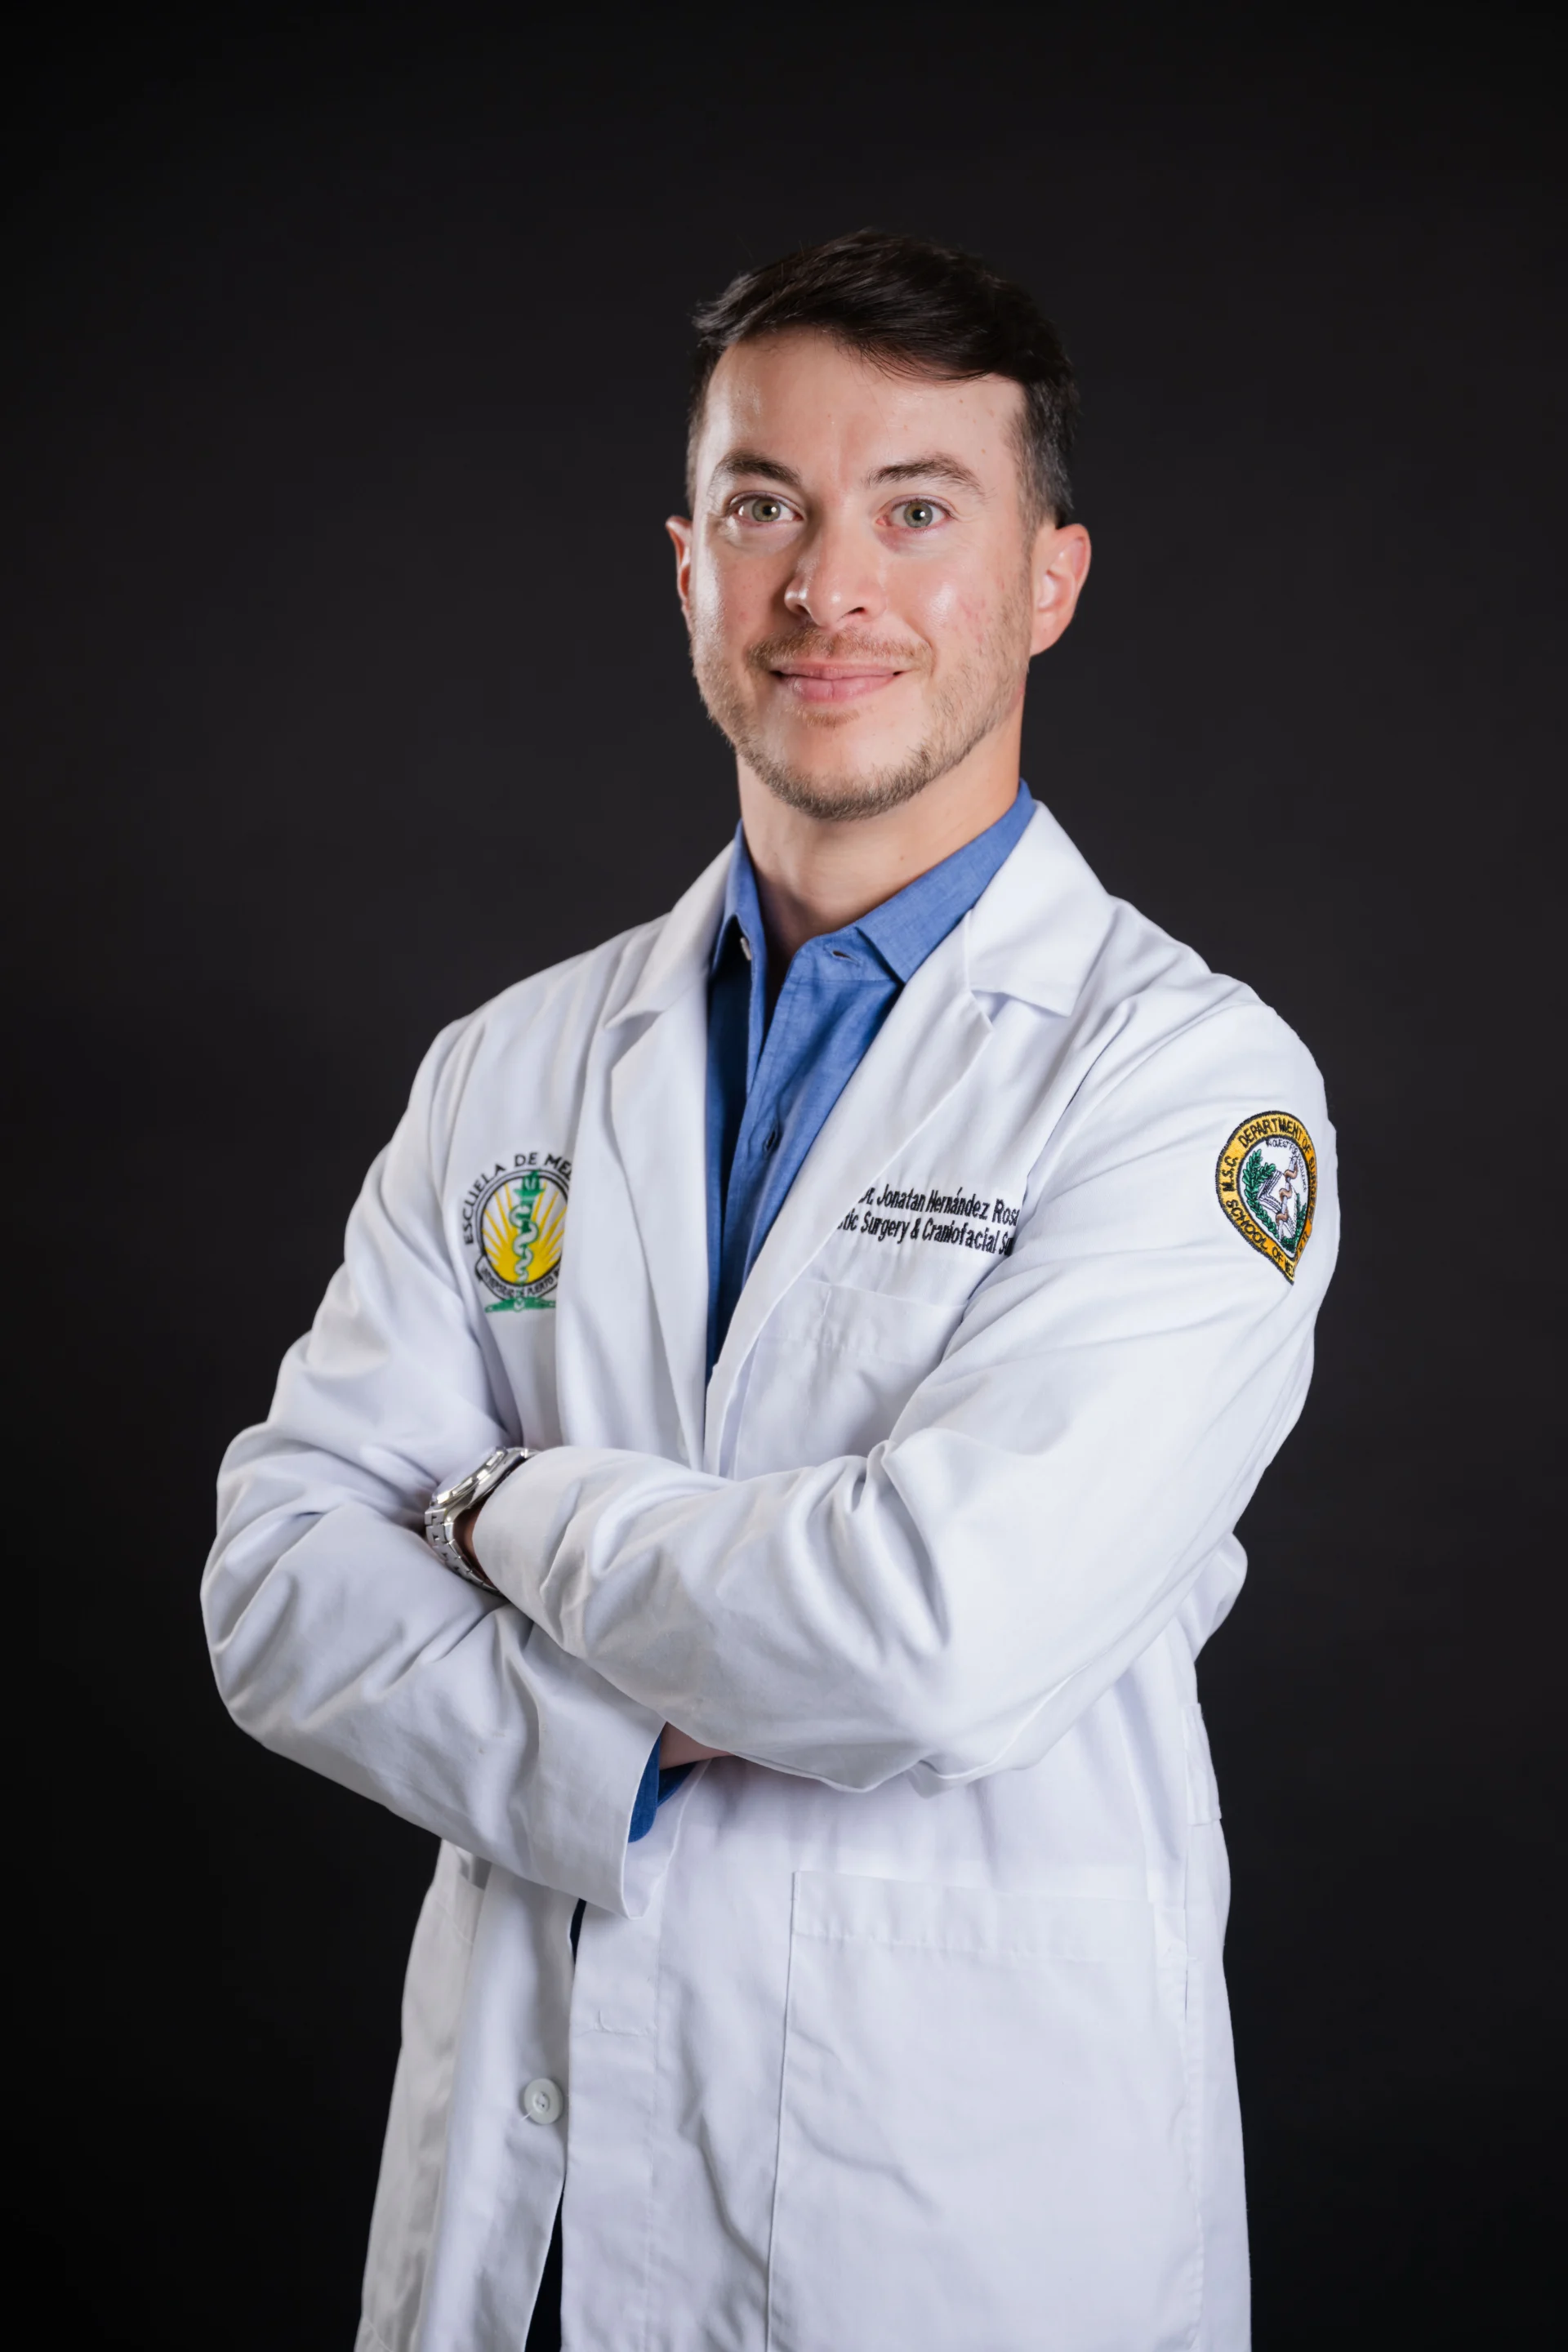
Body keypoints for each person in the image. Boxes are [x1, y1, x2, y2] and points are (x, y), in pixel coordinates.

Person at [204, 229, 1338, 2352]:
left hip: (952, 2238)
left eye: (917, 511)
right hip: (524, 2230)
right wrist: (626, 1748)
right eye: (764, 509)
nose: (830, 589)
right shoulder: (513, 1066)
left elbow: (935, 1639)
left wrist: (498, 1511)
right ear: (687, 567)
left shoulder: (1192, 1089)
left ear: (1049, 580)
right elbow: (275, 1579)